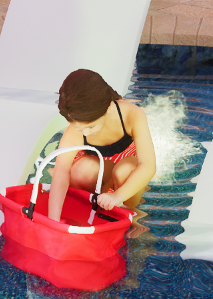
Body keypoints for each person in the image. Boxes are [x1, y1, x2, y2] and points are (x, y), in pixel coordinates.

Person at [46, 68, 158, 221]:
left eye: (91, 126)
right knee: (83, 170)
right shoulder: (74, 132)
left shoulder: (131, 115)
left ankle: (131, 212)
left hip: (124, 168)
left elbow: (148, 165)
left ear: (108, 109)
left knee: (125, 171)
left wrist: (118, 196)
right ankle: (97, 205)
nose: (84, 133)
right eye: (79, 127)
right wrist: (53, 220)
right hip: (100, 171)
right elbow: (61, 174)